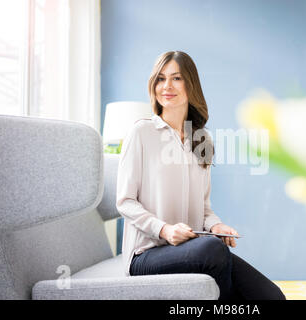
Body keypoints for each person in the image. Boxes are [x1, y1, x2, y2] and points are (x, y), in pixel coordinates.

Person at [116, 50, 285, 300]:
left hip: (197, 250)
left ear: (190, 84)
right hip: (146, 255)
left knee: (272, 296)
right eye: (160, 79)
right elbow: (125, 202)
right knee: (212, 251)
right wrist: (164, 230)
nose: (166, 86)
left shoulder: (201, 139)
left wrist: (216, 225)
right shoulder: (142, 132)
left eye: (176, 78)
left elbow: (204, 208)